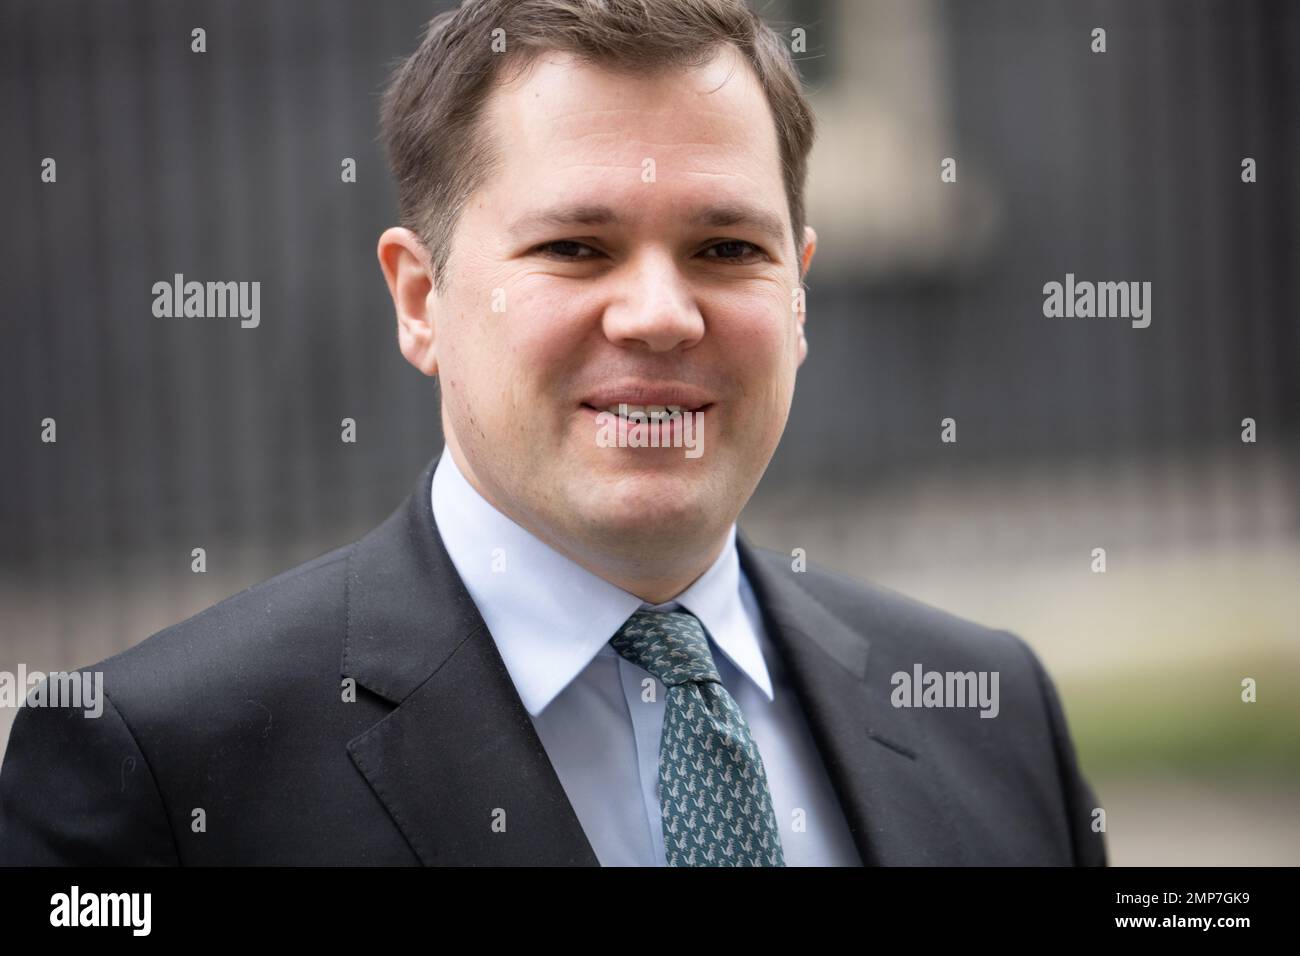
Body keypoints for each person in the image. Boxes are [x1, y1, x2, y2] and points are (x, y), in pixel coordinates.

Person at [0, 0, 1105, 866]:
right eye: (577, 247)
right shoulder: (162, 767)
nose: (662, 314)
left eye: (726, 248)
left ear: (799, 297)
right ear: (421, 300)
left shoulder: (993, 714)